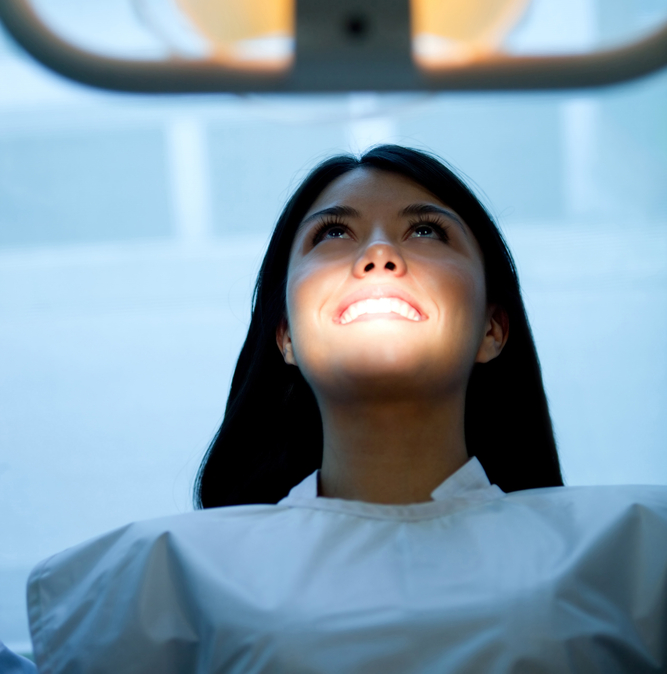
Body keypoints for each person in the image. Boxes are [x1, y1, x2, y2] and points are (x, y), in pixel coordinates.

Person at [26, 147, 667, 672]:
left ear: (493, 330)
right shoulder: (154, 578)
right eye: (334, 233)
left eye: (425, 230)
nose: (380, 256)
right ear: (285, 336)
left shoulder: (640, 548)